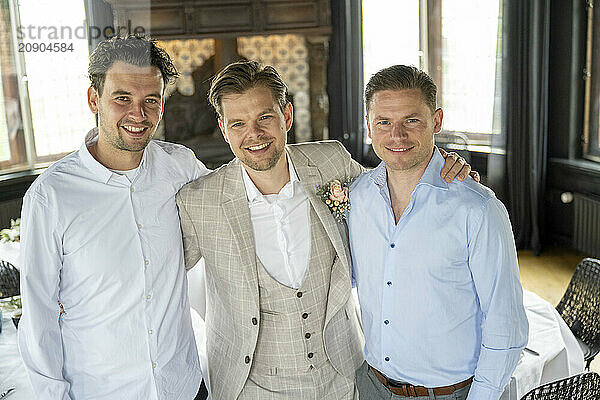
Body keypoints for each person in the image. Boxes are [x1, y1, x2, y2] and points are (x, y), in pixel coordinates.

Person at [175, 60, 474, 399]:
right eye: (238, 123)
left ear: (286, 115)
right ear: (224, 128)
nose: (253, 134)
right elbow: (155, 279)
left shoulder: (331, 162)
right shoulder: (199, 201)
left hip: (342, 376)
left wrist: (441, 168)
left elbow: (394, 186)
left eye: (265, 118)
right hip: (250, 386)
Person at [18, 36, 208, 399]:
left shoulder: (181, 167)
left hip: (183, 385)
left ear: (162, 104)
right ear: (94, 99)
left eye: (150, 100)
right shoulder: (50, 197)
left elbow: (236, 203)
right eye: (122, 98)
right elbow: (39, 316)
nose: (138, 114)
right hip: (103, 391)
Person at [348, 65, 529, 400]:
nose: (397, 135)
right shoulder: (355, 197)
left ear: (436, 121)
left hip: (449, 394)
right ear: (369, 127)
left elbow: (506, 324)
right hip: (371, 385)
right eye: (384, 122)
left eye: (411, 120)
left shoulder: (478, 210)